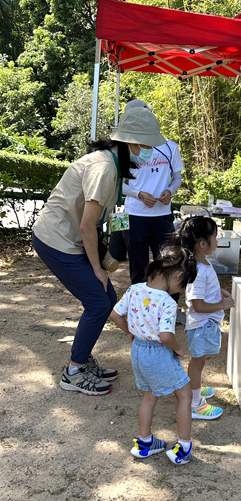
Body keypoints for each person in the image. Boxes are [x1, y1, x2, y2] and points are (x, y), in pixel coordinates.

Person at [32, 106, 166, 396]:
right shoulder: (104, 168)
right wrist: (97, 268)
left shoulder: (112, 164)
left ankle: (82, 358)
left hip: (70, 239)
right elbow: (86, 225)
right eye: (146, 146)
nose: (149, 153)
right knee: (98, 301)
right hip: (56, 239)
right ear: (130, 143)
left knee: (106, 298)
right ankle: (74, 371)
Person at [110, 245, 197, 464]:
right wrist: (177, 348)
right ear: (178, 275)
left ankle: (145, 443)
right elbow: (166, 336)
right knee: (185, 396)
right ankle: (183, 447)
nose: (180, 290)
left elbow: (114, 314)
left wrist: (130, 332)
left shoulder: (135, 289)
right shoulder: (167, 301)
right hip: (159, 354)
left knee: (150, 396)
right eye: (182, 284)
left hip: (138, 351)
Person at [169, 216, 235, 420]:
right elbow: (197, 304)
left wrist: (219, 292)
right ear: (203, 243)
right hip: (202, 325)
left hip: (203, 325)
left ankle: (194, 388)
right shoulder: (198, 270)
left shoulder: (201, 263)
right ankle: (195, 404)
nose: (218, 240)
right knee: (197, 363)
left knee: (200, 360)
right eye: (216, 236)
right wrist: (221, 305)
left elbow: (204, 292)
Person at [121, 99, 184, 286]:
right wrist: (138, 194)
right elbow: (117, 184)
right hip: (134, 215)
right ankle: (138, 309)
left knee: (167, 265)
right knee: (137, 267)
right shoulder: (126, 148)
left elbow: (177, 178)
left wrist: (170, 191)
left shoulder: (169, 146)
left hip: (162, 216)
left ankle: (168, 307)